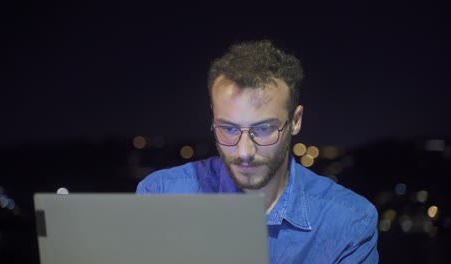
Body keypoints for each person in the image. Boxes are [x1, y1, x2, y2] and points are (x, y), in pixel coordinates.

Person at [136, 40, 379, 263]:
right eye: (228, 129)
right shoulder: (162, 195)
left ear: (295, 120)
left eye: (263, 129)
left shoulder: (349, 223)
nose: (244, 151)